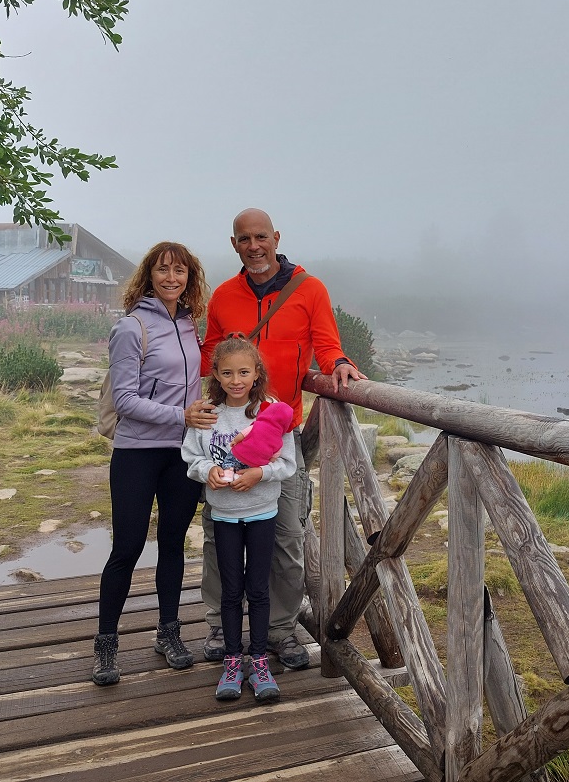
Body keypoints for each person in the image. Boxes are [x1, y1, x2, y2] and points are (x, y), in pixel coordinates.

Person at [187, 208, 365, 670]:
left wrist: (340, 364)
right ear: (234, 244)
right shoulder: (224, 297)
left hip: (280, 437)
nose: (254, 246)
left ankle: (280, 632)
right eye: (244, 239)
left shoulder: (309, 289)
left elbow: (326, 343)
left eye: (261, 237)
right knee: (216, 538)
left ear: (276, 237)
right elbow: (208, 353)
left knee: (286, 539)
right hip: (227, 437)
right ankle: (216, 627)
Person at [92, 242, 208, 686]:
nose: (172, 278)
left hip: (181, 454)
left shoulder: (188, 325)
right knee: (126, 549)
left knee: (174, 544)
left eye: (180, 271)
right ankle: (106, 645)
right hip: (137, 454)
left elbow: (193, 385)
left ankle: (169, 633)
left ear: (189, 279)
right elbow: (124, 400)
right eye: (163, 270)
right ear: (149, 276)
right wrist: (182, 415)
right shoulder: (131, 327)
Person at [182, 338, 296, 701]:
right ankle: (233, 661)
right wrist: (208, 471)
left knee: (258, 589)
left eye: (244, 372)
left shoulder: (271, 410)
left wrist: (259, 474)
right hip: (225, 515)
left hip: (263, 512)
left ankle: (259, 660)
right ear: (215, 373)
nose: (236, 380)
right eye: (227, 372)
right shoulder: (208, 413)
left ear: (257, 373)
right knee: (231, 591)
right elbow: (191, 457)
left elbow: (288, 463)